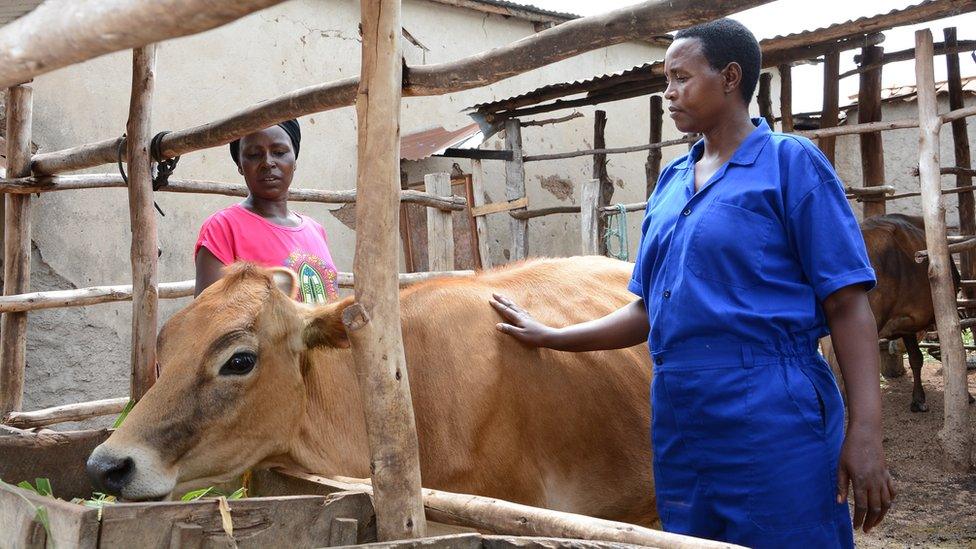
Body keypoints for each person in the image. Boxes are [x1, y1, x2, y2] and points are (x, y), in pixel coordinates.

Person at [490, 18, 894, 549]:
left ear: (730, 78)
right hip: (679, 413)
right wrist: (551, 335)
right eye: (665, 80)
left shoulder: (788, 164)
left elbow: (847, 305)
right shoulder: (671, 182)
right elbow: (649, 311)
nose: (669, 93)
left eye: (680, 78)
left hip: (772, 407)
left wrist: (865, 433)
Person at [194, 119, 339, 303]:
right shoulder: (223, 228)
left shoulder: (316, 230)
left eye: (279, 152)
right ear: (240, 165)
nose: (267, 162)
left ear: (294, 159)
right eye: (254, 154)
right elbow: (208, 318)